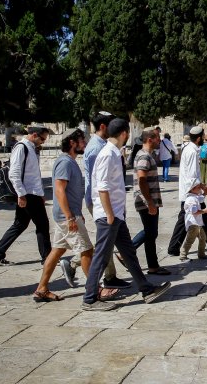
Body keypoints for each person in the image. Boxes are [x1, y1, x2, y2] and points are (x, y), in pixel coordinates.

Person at [82, 118, 171, 311]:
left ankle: (147, 289)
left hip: (116, 214)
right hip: (109, 215)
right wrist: (109, 214)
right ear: (124, 133)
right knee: (101, 256)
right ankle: (89, 299)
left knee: (129, 253)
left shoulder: (114, 152)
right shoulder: (108, 154)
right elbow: (102, 187)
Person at [61, 112, 125, 291]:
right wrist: (108, 209)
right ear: (103, 126)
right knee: (106, 239)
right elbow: (102, 183)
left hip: (105, 200)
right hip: (101, 200)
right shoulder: (97, 149)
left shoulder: (102, 145)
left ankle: (109, 275)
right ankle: (77, 265)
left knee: (109, 239)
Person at [33, 129, 92, 302]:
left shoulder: (69, 161)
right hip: (67, 217)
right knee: (87, 251)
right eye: (82, 140)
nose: (84, 143)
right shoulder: (65, 162)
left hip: (68, 215)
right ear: (72, 143)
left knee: (57, 250)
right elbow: (59, 190)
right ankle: (94, 290)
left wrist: (76, 213)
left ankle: (41, 289)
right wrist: (70, 216)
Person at [0, 126, 52, 265]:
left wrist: (41, 193)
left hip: (32, 193)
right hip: (28, 193)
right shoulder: (21, 147)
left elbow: (33, 174)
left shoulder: (31, 148)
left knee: (20, 224)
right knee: (42, 224)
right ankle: (47, 258)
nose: (43, 142)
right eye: (42, 139)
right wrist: (21, 194)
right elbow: (14, 173)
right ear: (34, 135)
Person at [167, 126, 207, 256]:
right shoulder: (192, 152)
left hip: (189, 191)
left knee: (188, 218)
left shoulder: (188, 149)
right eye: (203, 136)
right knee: (202, 217)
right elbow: (193, 176)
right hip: (192, 193)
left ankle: (174, 247)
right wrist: (205, 188)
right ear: (199, 138)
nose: (204, 138)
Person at [127, 128, 169, 275]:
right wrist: (150, 202)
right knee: (150, 231)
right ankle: (126, 252)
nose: (160, 140)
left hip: (149, 200)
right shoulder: (144, 156)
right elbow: (142, 179)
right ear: (150, 139)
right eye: (157, 138)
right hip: (146, 201)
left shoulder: (146, 155)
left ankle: (153, 266)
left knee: (151, 233)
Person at [181, 181, 207, 261]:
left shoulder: (194, 196)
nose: (200, 189)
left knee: (203, 238)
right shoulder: (191, 199)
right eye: (198, 187)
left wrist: (205, 191)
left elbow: (201, 199)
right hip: (193, 224)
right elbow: (194, 212)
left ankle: (201, 254)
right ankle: (183, 255)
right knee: (190, 240)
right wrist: (204, 211)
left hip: (198, 223)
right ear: (192, 189)